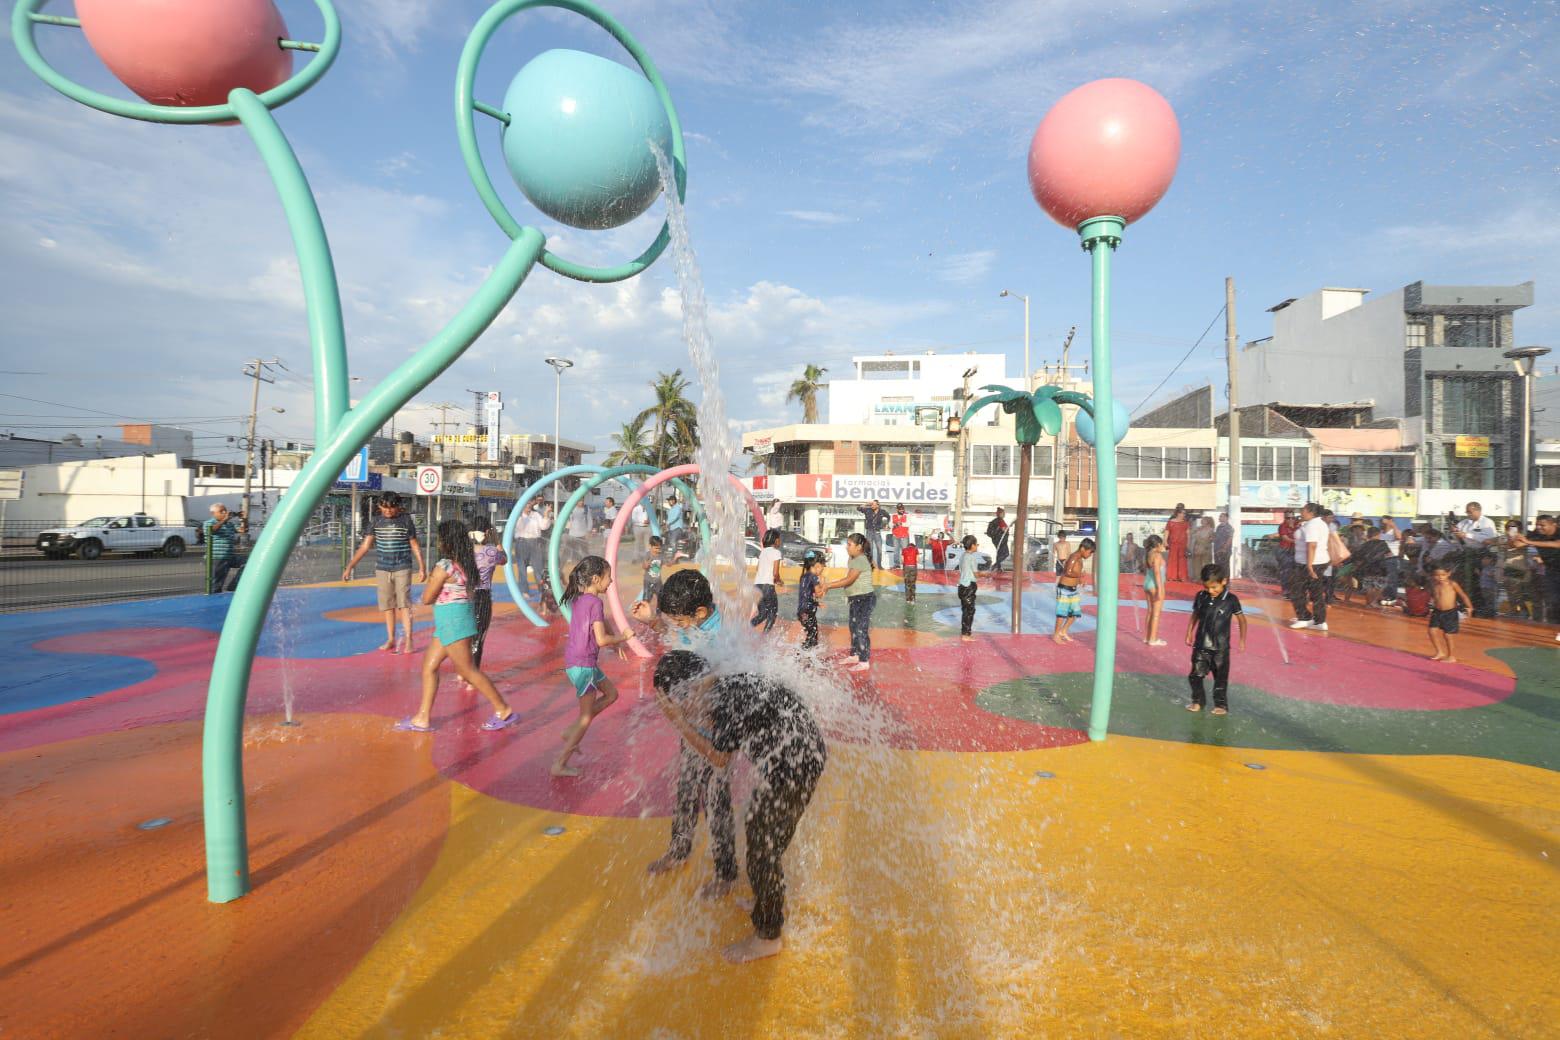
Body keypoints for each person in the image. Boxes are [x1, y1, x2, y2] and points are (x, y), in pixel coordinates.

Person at [652, 651, 828, 964]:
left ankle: (768, 937)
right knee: (761, 834)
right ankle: (767, 900)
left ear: (690, 689)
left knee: (762, 852)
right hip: (795, 758)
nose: (686, 713)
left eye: (679, 703)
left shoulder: (727, 702)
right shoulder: (724, 681)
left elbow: (720, 758)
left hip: (793, 769)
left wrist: (679, 721)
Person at [393, 519, 519, 733]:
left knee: (467, 670)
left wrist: (433, 581)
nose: (438, 542)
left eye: (440, 539)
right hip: (452, 620)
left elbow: (426, 598)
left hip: (453, 621)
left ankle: (504, 710)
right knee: (430, 667)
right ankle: (422, 717)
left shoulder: (445, 566)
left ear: (447, 542)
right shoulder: (467, 562)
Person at [553, 556, 634, 777]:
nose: (611, 582)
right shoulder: (596, 602)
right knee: (586, 717)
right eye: (609, 578)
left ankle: (572, 729)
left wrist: (612, 638)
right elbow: (600, 640)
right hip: (584, 665)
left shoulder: (582, 599)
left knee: (611, 694)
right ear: (597, 579)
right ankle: (560, 763)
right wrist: (622, 638)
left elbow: (599, 622)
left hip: (577, 661)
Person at [343, 491, 425, 654]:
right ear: (379, 506)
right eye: (384, 507)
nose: (388, 511)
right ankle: (391, 638)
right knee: (387, 605)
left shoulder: (405, 520)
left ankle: (409, 639)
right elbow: (365, 546)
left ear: (398, 507)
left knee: (404, 604)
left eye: (392, 508)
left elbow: (414, 544)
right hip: (382, 568)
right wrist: (350, 566)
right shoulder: (376, 521)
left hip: (402, 566)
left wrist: (422, 567)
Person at [1184, 563, 1246, 715]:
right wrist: (1189, 632)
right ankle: (1198, 701)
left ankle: (1221, 705)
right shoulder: (1201, 596)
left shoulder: (1231, 599)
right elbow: (1195, 615)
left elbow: (1242, 620)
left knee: (1220, 679)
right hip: (1201, 645)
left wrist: (1242, 640)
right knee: (1195, 675)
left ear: (1223, 581)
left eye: (1214, 587)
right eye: (1207, 588)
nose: (1210, 591)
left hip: (1221, 648)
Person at [826, 532, 876, 672]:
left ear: (859, 547)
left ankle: (864, 660)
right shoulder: (853, 559)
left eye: (849, 544)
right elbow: (849, 580)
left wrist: (828, 585)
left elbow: (849, 580)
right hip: (856, 598)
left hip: (865, 599)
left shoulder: (860, 559)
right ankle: (855, 654)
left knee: (861, 628)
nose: (846, 547)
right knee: (853, 627)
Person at [468, 514, 507, 669]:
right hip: (482, 597)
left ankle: (462, 670)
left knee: (464, 637)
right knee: (478, 638)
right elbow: (504, 559)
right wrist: (497, 541)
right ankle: (473, 673)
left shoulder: (464, 550)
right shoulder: (491, 551)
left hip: (464, 596)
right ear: (488, 532)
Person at [1510, 516, 1560, 634]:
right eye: (1537, 525)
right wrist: (1514, 538)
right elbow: (1517, 545)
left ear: (1553, 525)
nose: (1539, 527)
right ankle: (1555, 628)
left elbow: (1557, 544)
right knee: (1552, 601)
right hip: (1551, 571)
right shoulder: (1535, 534)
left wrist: (1529, 542)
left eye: (1542, 525)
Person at [1288, 502, 1330, 632]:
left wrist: (1310, 565)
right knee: (1316, 592)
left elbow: (1312, 545)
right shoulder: (1320, 523)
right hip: (1319, 561)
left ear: (1311, 512)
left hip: (1309, 563)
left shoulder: (1312, 525)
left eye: (1303, 510)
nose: (1301, 512)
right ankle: (1319, 621)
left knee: (1296, 590)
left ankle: (1304, 618)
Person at [1426, 563, 1474, 664]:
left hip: (1450, 612)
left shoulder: (1452, 584)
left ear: (1448, 574)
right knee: (1431, 631)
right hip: (1437, 611)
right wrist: (1430, 607)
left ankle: (1451, 656)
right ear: (1433, 575)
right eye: (1437, 575)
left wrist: (1469, 607)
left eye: (1443, 575)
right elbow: (1434, 597)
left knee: (1448, 635)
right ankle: (1439, 652)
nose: (1440, 577)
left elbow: (1463, 595)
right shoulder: (1433, 584)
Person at [1053, 538, 1094, 643]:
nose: (1090, 555)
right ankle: (1056, 635)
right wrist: (1080, 575)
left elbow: (1075, 573)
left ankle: (1063, 631)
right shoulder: (1074, 557)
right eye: (1090, 552)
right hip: (1064, 588)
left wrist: (1080, 581)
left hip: (1073, 589)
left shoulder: (1079, 559)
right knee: (1062, 613)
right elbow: (1068, 572)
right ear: (1083, 548)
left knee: (1074, 613)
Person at [205, 502, 243, 594]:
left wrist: (243, 519)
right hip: (217, 558)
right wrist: (224, 520)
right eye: (221, 511)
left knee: (250, 562)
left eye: (225, 510)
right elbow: (212, 530)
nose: (224, 512)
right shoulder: (209, 523)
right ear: (213, 513)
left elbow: (243, 530)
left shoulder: (229, 524)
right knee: (216, 586)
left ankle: (234, 586)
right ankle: (212, 602)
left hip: (230, 557)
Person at [751, 529, 785, 632]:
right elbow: (775, 573)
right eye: (779, 539)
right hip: (767, 587)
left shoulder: (763, 552)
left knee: (762, 614)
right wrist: (779, 581)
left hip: (757, 586)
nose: (780, 541)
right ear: (775, 540)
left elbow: (758, 569)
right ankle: (764, 638)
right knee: (772, 614)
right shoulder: (776, 552)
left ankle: (744, 629)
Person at [956, 535, 986, 641]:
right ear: (972, 545)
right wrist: (986, 574)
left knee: (966, 610)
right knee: (969, 611)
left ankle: (965, 632)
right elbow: (976, 574)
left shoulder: (963, 556)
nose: (977, 546)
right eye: (976, 544)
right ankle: (966, 634)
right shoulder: (971, 558)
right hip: (969, 586)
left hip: (962, 586)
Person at [795, 550, 826, 650]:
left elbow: (806, 596)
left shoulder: (804, 576)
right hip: (808, 612)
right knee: (813, 637)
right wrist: (825, 586)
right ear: (817, 565)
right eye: (823, 566)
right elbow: (819, 594)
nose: (823, 569)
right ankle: (799, 655)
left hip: (802, 612)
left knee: (811, 636)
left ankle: (806, 658)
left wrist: (816, 604)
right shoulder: (814, 577)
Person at [1143, 534, 1168, 647]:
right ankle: (1153, 639)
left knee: (1150, 612)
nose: (1163, 545)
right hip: (1155, 585)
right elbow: (1157, 573)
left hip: (1147, 584)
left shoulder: (1148, 554)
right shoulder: (1157, 556)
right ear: (1158, 544)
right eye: (1162, 543)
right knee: (1156, 614)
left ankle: (1147, 637)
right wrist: (1160, 589)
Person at [858, 499, 888, 567]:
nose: (872, 506)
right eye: (872, 504)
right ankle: (870, 565)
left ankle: (879, 565)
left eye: (874, 504)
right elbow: (858, 508)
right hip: (869, 531)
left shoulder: (882, 512)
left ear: (878, 505)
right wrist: (866, 504)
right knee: (869, 549)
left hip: (877, 532)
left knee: (879, 550)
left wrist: (885, 525)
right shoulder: (868, 510)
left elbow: (888, 517)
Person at [1164, 505, 1190, 583]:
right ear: (1178, 513)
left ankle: (1182, 577)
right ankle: (1172, 576)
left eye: (1184, 513)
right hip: (1173, 544)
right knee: (1173, 560)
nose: (1184, 515)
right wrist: (1165, 541)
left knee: (1182, 561)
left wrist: (1188, 544)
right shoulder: (1170, 522)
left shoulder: (1186, 523)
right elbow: (1167, 532)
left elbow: (1188, 534)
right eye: (1182, 513)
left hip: (1182, 544)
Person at [640, 534, 665, 612]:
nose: (658, 550)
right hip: (648, 581)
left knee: (661, 598)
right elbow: (643, 566)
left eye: (659, 548)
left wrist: (675, 558)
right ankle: (643, 613)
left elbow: (667, 563)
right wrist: (646, 565)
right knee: (646, 599)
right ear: (650, 546)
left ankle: (658, 616)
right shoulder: (648, 555)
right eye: (656, 548)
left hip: (658, 581)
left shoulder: (661, 556)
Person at [987, 508, 1010, 572]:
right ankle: (995, 565)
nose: (1004, 514)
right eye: (1003, 513)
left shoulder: (995, 520)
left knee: (999, 553)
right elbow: (1004, 529)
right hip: (1001, 540)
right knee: (1006, 553)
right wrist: (1007, 528)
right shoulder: (1000, 520)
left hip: (996, 540)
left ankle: (998, 568)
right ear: (1000, 514)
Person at [900, 537, 920, 603]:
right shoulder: (916, 550)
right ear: (913, 546)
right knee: (913, 583)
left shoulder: (904, 550)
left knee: (907, 583)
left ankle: (908, 599)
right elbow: (918, 560)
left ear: (908, 546)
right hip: (913, 567)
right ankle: (913, 598)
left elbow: (902, 560)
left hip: (906, 567)